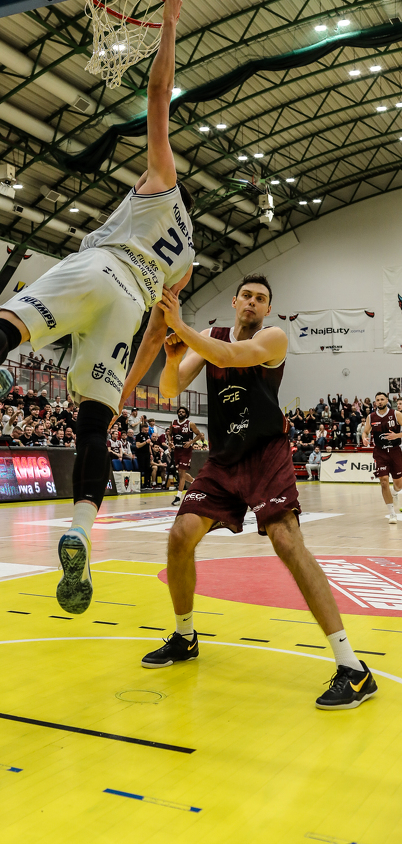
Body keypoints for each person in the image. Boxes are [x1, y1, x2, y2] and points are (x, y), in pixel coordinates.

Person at [0, 0, 194, 616]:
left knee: (0, 328)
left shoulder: (162, 182)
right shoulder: (186, 260)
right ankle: (80, 534)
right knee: (93, 427)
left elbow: (159, 95)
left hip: (99, 268)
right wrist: (126, 386)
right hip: (131, 309)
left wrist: (169, 27)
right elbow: (160, 333)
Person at [139, 274, 377, 711]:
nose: (252, 302)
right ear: (234, 301)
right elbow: (171, 389)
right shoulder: (210, 336)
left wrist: (180, 326)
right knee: (180, 535)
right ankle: (185, 636)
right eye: (246, 295)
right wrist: (172, 360)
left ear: (268, 309)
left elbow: (229, 356)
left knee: (287, 541)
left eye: (261, 298)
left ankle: (353, 668)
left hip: (266, 453)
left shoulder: (274, 338)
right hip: (223, 458)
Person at [361, 392, 402, 524]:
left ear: (387, 401)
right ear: (375, 402)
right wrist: (364, 438)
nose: (380, 402)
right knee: (384, 481)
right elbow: (365, 431)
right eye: (377, 400)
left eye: (382, 399)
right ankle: (392, 514)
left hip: (395, 451)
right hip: (380, 452)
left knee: (398, 485)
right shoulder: (371, 416)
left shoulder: (396, 414)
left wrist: (397, 435)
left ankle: (395, 492)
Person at [169, 405, 204, 506]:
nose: (181, 413)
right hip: (177, 450)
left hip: (186, 451)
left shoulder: (190, 424)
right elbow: (169, 434)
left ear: (186, 414)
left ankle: (178, 497)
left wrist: (191, 442)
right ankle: (195, 482)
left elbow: (199, 435)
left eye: (183, 412)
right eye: (179, 411)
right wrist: (170, 442)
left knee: (181, 472)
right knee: (181, 474)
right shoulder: (173, 423)